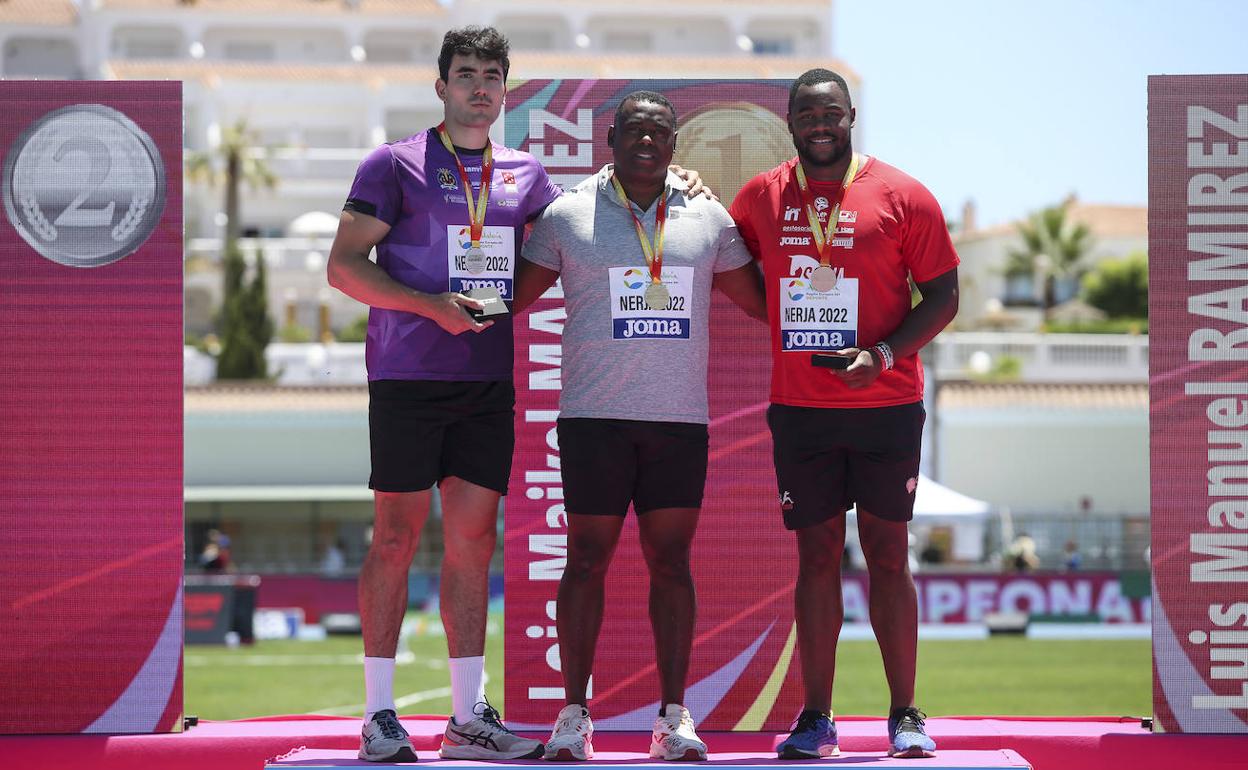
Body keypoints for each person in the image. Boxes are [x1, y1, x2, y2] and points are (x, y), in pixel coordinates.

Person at [327, 27, 709, 764]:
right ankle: (379, 716)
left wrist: (682, 183)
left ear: (505, 89)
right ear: (440, 85)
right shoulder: (394, 164)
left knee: (474, 546)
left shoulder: (525, 177)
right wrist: (429, 304)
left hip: (485, 384)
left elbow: (599, 219)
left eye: (492, 76)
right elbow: (343, 268)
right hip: (407, 379)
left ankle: (467, 717)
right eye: (465, 73)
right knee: (396, 540)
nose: (479, 87)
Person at [512, 90, 766, 762]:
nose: (647, 142)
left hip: (678, 420)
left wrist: (841, 303)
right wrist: (428, 301)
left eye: (660, 132)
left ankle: (674, 719)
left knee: (671, 563)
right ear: (611, 139)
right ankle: (573, 716)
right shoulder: (566, 215)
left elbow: (763, 301)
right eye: (635, 131)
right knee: (586, 561)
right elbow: (508, 296)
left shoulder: (707, 215)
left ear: (675, 144)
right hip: (593, 419)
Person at [728, 68, 959, 760]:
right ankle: (816, 718)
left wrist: (882, 355)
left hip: (886, 404)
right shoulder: (762, 195)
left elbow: (944, 297)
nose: (819, 123)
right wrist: (779, 319)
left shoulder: (902, 194)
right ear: (789, 121)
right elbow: (729, 263)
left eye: (831, 111)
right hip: (801, 411)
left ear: (851, 114)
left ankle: (905, 715)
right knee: (816, 558)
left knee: (889, 557)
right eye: (807, 113)